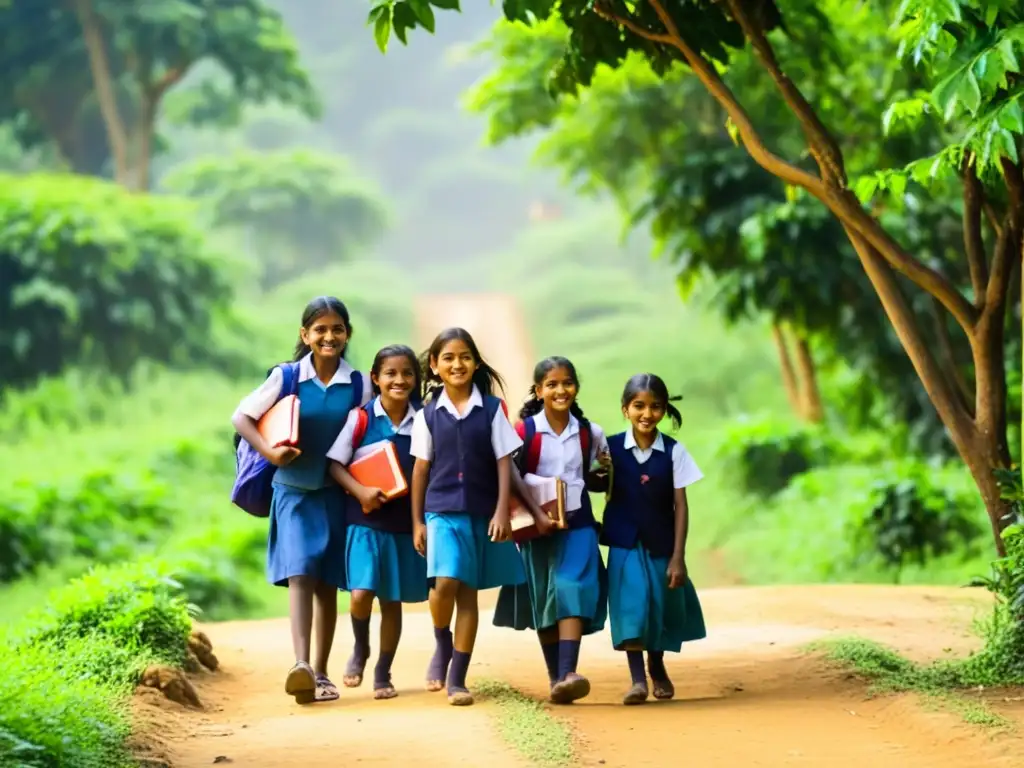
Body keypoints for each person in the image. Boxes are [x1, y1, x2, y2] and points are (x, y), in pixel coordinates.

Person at [231, 296, 371, 705]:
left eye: (337, 329)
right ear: (305, 335)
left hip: (335, 494)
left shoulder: (359, 384)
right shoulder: (287, 376)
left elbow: (366, 433)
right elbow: (242, 416)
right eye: (321, 329)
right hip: (291, 491)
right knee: (300, 572)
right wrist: (270, 453)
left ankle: (323, 672)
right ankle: (301, 665)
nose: (329, 336)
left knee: (327, 582)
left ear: (347, 334)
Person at [409, 327, 526, 706]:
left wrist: (501, 511)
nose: (457, 364)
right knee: (444, 584)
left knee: (468, 596)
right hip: (441, 512)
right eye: (448, 358)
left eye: (464, 357)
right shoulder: (428, 415)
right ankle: (442, 643)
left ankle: (457, 677)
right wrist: (417, 521)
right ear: (434, 365)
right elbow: (420, 471)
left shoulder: (491, 410)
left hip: (479, 513)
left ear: (476, 363)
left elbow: (504, 462)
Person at [493, 356, 610, 704]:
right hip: (535, 529)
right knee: (544, 598)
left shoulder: (590, 433)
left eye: (567, 383)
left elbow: (593, 480)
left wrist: (606, 474)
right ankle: (556, 677)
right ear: (539, 390)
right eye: (552, 384)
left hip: (578, 524)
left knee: (571, 586)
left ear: (576, 387)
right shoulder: (524, 431)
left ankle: (569, 670)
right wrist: (535, 514)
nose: (561, 390)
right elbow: (508, 473)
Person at [326, 344, 426, 700]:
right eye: (391, 374)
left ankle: (384, 669)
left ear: (416, 379)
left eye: (407, 374)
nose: (399, 380)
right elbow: (335, 464)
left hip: (402, 523)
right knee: (361, 594)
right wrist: (361, 491)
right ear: (375, 378)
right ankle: (360, 648)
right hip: (364, 521)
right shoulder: (361, 418)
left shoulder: (424, 420)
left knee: (391, 600)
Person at [601, 373, 707, 705]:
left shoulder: (674, 452)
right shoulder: (610, 448)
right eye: (639, 406)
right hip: (624, 542)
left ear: (664, 410)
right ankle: (637, 680)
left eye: (655, 407)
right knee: (630, 607)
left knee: (659, 605)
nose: (647, 414)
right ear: (625, 409)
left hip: (661, 542)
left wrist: (679, 556)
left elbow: (681, 504)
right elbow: (591, 481)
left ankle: (656, 665)